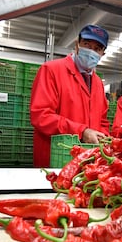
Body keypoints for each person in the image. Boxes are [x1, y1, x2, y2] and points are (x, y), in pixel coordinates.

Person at [30, 24, 110, 167]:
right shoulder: (51, 70)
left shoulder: (98, 83)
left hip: (87, 163)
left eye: (97, 49)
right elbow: (41, 115)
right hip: (56, 159)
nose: (91, 51)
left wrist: (103, 137)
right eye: (87, 44)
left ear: (102, 54)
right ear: (77, 45)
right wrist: (81, 131)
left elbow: (102, 121)